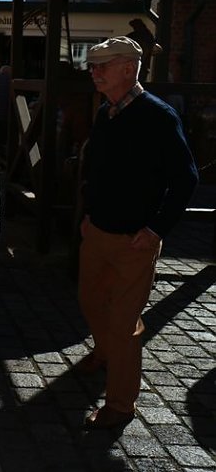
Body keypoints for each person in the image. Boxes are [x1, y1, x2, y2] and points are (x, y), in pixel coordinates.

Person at [77, 36, 197, 429]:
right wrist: (88, 214)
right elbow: (94, 168)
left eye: (103, 66)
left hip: (135, 240)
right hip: (98, 231)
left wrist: (156, 229)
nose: (94, 72)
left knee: (123, 323)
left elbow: (186, 180)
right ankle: (104, 352)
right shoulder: (106, 112)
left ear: (129, 69)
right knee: (90, 301)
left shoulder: (158, 117)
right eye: (93, 66)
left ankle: (120, 405)